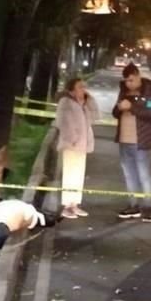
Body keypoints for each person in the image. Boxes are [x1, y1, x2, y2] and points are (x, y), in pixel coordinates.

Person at [112, 63, 151, 222]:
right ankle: (133, 205)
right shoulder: (123, 92)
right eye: (126, 80)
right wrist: (120, 108)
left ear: (138, 76)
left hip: (141, 140)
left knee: (143, 174)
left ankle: (147, 207)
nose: (128, 84)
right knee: (129, 174)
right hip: (124, 140)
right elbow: (115, 112)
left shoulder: (150, 92)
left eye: (131, 80)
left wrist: (132, 107)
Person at [54, 77, 99, 219]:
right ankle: (66, 206)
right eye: (80, 87)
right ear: (72, 90)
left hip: (83, 144)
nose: (83, 89)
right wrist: (72, 138)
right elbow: (61, 122)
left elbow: (96, 116)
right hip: (71, 144)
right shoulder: (65, 102)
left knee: (79, 175)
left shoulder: (84, 103)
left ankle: (75, 204)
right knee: (70, 174)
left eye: (84, 86)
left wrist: (89, 99)